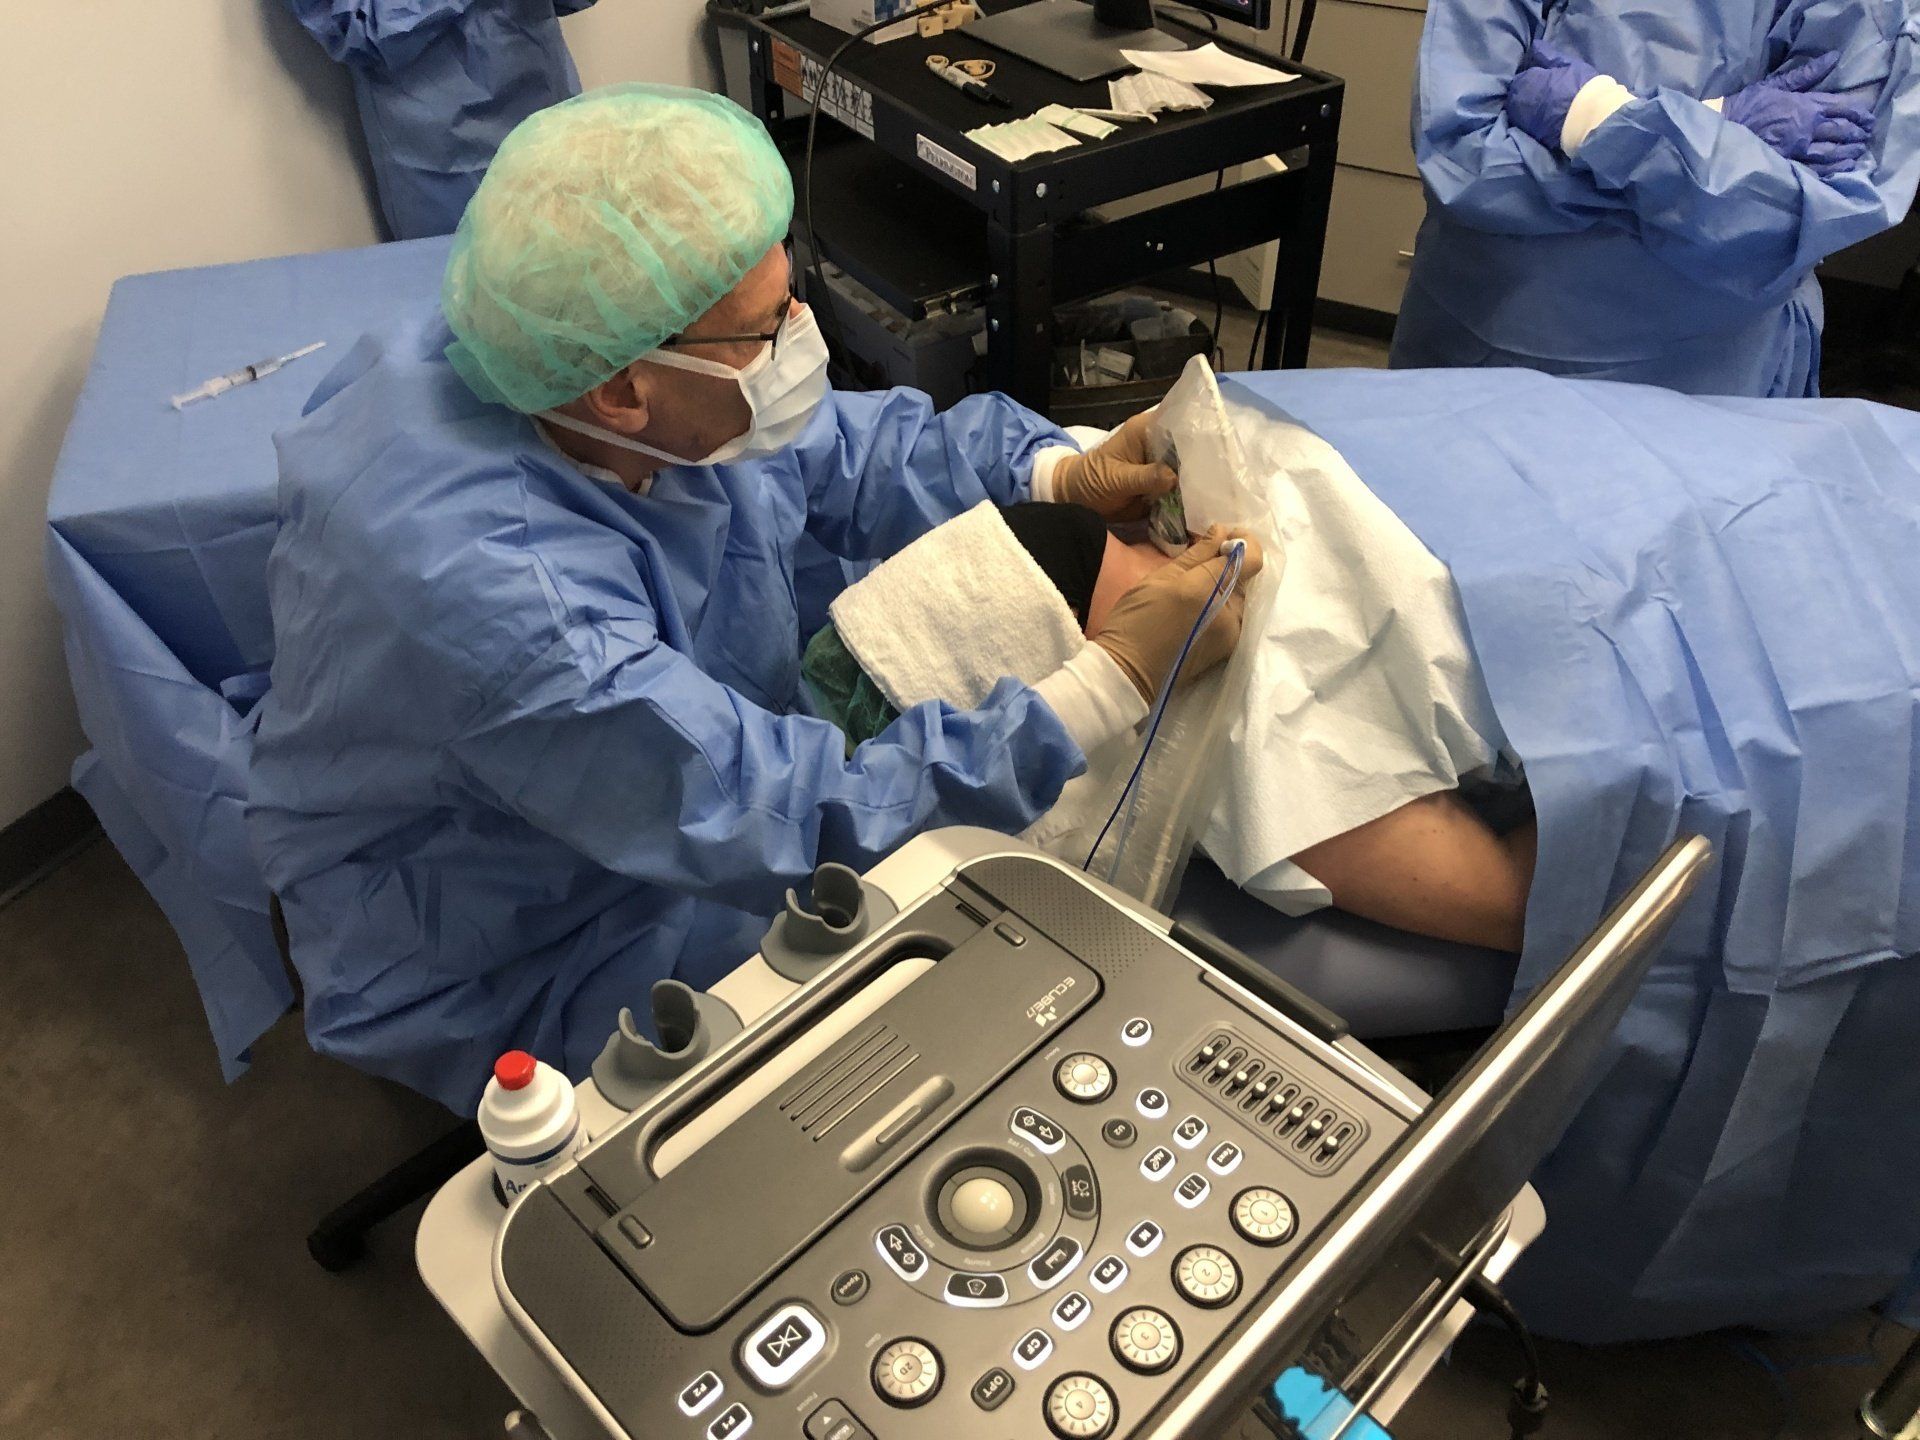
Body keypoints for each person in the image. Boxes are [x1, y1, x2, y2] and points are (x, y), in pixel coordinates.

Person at [247, 84, 1258, 1111]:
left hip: (620, 777)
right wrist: (1111, 681)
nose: (803, 336)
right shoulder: (520, 616)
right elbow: (790, 817)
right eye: (768, 327)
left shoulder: (570, 358)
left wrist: (1050, 470)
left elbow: (830, 453)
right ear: (624, 391)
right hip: (522, 928)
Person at [805, 501, 1536, 951]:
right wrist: (1110, 679)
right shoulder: (1266, 721)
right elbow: (1518, 907)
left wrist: (1059, 469)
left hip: (933, 634)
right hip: (960, 652)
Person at [1392, 0, 1920, 396]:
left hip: (1702, 376)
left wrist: (1592, 118)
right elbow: (1463, 158)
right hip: (1488, 340)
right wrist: (1715, 143)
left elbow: (1803, 213)